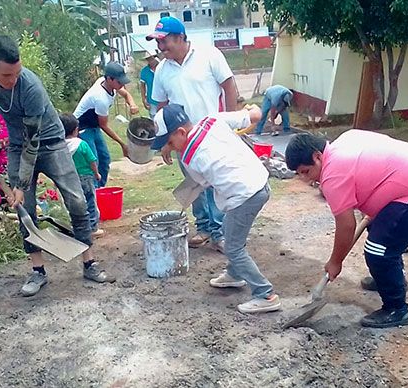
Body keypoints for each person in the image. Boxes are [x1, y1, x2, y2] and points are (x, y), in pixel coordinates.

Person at [0, 36, 115, 296]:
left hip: (50, 142)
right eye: (7, 75)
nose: (13, 79)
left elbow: (34, 141)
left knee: (76, 200)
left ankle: (89, 262)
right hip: (18, 147)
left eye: (17, 72)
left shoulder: (30, 86)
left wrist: (19, 183)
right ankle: (38, 271)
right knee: (25, 209)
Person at [285, 131, 408, 328]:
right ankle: (391, 278)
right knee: (380, 232)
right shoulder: (345, 138)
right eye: (299, 174)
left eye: (306, 171)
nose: (305, 180)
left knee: (378, 250)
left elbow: (346, 226)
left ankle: (397, 309)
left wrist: (335, 262)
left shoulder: (333, 175)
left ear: (317, 156)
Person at [150, 104, 281, 314]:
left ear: (181, 132)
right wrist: (253, 109)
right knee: (230, 229)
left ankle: (265, 294)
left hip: (244, 196)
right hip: (259, 182)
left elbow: (202, 184)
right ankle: (235, 274)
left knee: (233, 247)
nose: (170, 147)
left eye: (170, 142)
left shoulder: (189, 159)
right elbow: (254, 115)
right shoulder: (213, 120)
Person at [147, 16, 238, 253]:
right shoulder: (162, 71)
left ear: (180, 38)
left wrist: (231, 122)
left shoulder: (209, 55)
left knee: (216, 184)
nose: (160, 47)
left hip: (213, 135)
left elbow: (229, 86)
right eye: (158, 42)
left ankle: (220, 232)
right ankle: (204, 227)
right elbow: (161, 106)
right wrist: (166, 142)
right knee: (195, 183)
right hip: (183, 140)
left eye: (164, 41)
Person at [73, 62, 139, 188]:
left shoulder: (107, 84)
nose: (122, 85)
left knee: (104, 159)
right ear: (109, 79)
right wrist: (122, 144)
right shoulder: (100, 97)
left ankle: (100, 189)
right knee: (92, 161)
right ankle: (92, 193)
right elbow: (104, 125)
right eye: (119, 82)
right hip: (81, 128)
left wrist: (132, 104)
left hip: (94, 127)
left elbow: (125, 94)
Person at [61, 113, 104, 239]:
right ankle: (92, 228)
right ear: (76, 130)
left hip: (69, 179)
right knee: (90, 201)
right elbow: (92, 160)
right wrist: (96, 174)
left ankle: (77, 227)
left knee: (75, 202)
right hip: (86, 177)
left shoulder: (61, 147)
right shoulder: (82, 144)